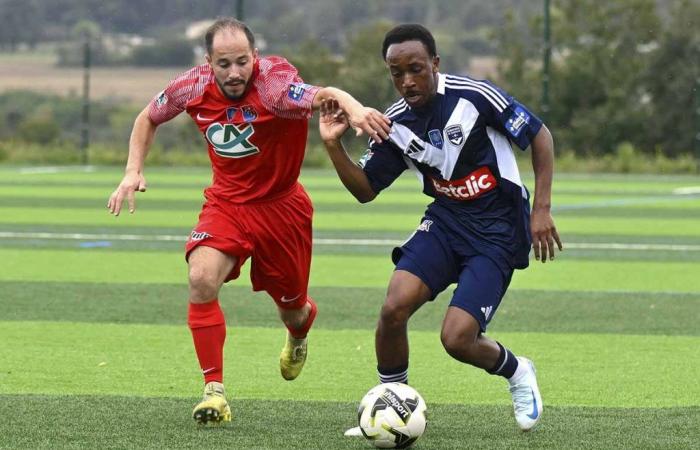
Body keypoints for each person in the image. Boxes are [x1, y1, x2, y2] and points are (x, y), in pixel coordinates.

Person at [107, 17, 391, 425]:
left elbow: (323, 94)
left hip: (282, 210)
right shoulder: (191, 86)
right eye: (224, 64)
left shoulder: (274, 87)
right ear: (208, 62)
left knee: (292, 309)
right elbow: (147, 117)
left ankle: (299, 328)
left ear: (254, 57)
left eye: (242, 61)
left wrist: (357, 110)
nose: (234, 72)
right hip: (226, 204)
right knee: (201, 277)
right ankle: (214, 392)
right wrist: (132, 170)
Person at [319, 24, 562, 433]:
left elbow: (540, 135)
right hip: (447, 222)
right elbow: (365, 190)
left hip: (498, 230)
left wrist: (541, 209)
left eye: (415, 68)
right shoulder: (392, 123)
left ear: (435, 63)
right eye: (396, 73)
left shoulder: (476, 96)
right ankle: (389, 406)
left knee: (457, 339)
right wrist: (332, 145)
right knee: (393, 308)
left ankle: (518, 371)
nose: (407, 81)